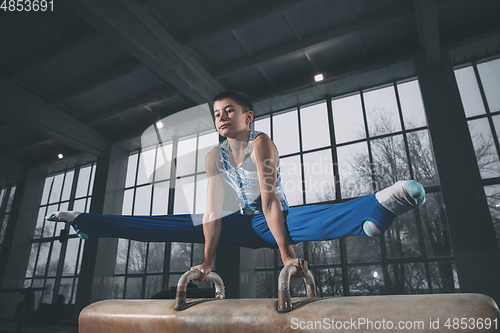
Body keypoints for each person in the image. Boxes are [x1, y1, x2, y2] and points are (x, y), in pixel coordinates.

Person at [46, 91, 426, 283]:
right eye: (216, 114)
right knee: (178, 223)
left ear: (248, 115)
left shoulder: (262, 142)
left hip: (269, 217)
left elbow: (272, 200)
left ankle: (375, 207)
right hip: (238, 220)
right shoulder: (215, 156)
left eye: (228, 110)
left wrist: (286, 255)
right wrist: (208, 262)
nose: (221, 118)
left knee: (302, 219)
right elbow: (212, 211)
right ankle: (90, 222)